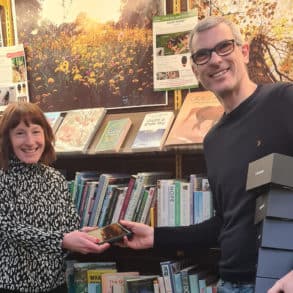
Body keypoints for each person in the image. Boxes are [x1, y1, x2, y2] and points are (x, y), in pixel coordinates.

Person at [120, 15, 293, 293]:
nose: (215, 60)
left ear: (244, 51)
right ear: (195, 69)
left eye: (224, 47)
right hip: (231, 282)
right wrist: (156, 237)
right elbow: (226, 222)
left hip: (282, 281)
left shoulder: (284, 101)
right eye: (203, 55)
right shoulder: (213, 140)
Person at [0, 102, 110, 292]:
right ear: (7, 139)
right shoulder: (3, 177)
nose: (30, 141)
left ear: (46, 135)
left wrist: (82, 236)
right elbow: (10, 228)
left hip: (55, 285)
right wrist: (62, 240)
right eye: (20, 133)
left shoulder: (55, 177)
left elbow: (69, 226)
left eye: (36, 131)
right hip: (11, 285)